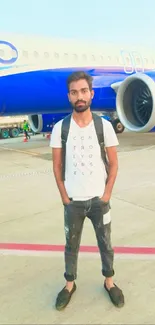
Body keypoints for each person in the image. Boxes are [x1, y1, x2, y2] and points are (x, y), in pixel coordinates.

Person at [50, 71, 124, 311]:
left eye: (83, 91)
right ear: (69, 96)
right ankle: (69, 284)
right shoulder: (61, 129)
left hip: (99, 201)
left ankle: (109, 282)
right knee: (71, 246)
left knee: (106, 243)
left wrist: (107, 194)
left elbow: (113, 164)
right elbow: (57, 166)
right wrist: (64, 197)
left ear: (91, 94)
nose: (79, 96)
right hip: (73, 202)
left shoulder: (105, 127)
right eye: (74, 92)